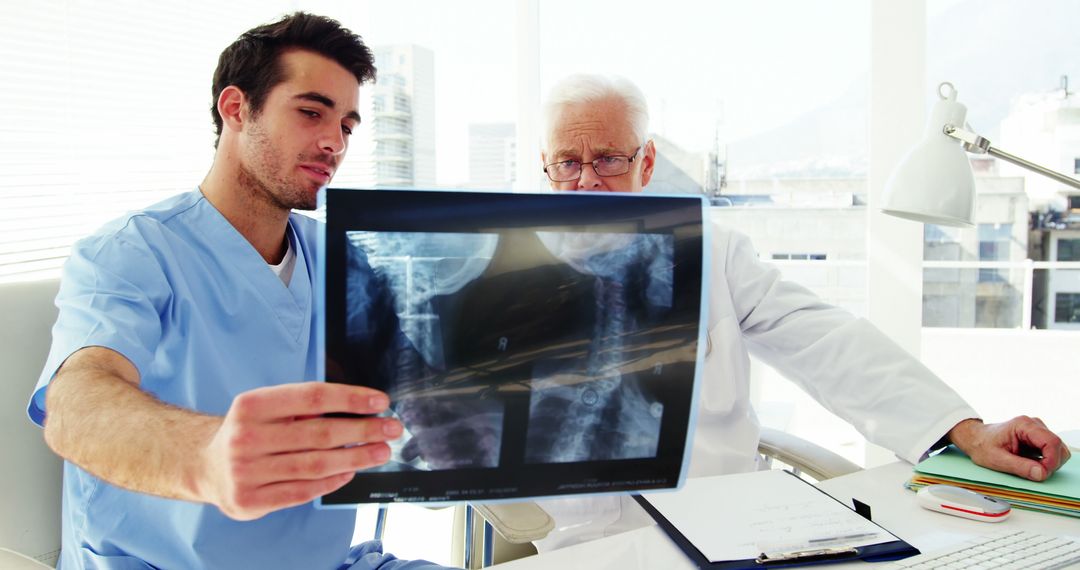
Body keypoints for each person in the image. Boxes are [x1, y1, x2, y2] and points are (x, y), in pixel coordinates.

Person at [532, 73, 1072, 550]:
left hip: (728, 526)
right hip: (592, 542)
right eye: (568, 163)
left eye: (608, 159)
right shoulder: (508, 278)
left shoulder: (714, 253)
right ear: (546, 168)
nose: (587, 180)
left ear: (645, 163)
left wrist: (965, 430)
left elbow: (827, 343)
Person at [26, 13, 450, 570]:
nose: (333, 142)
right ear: (236, 108)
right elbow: (77, 404)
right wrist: (205, 457)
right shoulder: (131, 253)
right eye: (310, 112)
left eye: (347, 125)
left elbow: (422, 394)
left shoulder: (341, 258)